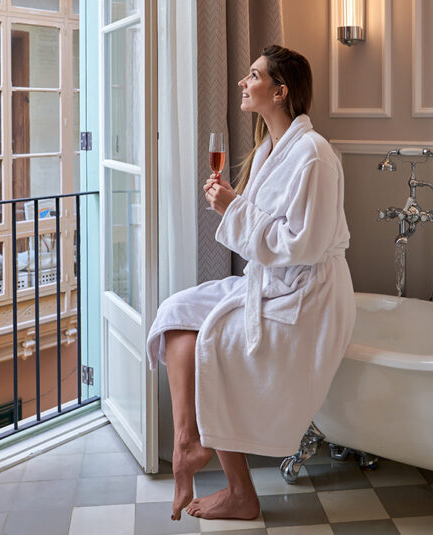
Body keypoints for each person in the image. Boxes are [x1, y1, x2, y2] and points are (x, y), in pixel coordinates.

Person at [146, 44, 356, 521]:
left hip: (307, 297)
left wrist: (232, 208)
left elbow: (301, 244)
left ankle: (241, 493)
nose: (243, 82)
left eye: (254, 76)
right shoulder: (268, 150)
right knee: (177, 314)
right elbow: (267, 226)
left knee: (213, 343)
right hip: (271, 282)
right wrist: (235, 203)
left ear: (280, 92)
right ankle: (188, 440)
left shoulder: (315, 156)